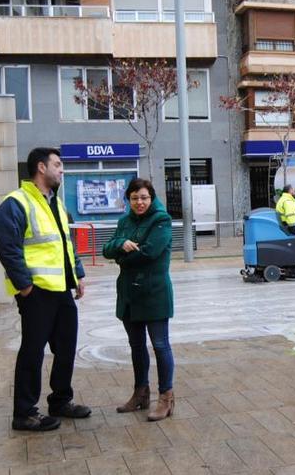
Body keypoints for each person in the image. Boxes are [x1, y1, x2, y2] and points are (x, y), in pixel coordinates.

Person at [0, 148, 90, 431]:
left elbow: (66, 244)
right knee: (33, 353)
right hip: (36, 293)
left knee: (66, 348)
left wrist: (79, 275)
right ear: (40, 167)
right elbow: (7, 249)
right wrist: (25, 287)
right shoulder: (16, 203)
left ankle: (60, 401)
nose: (62, 170)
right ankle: (24, 413)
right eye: (57, 165)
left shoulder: (55, 203)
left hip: (61, 290)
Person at [103, 178, 176, 421]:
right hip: (129, 294)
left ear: (151, 197)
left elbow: (150, 252)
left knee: (160, 345)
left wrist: (121, 257)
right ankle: (140, 393)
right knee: (136, 346)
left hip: (154, 292)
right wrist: (120, 244)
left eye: (144, 197)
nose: (139, 202)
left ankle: (166, 398)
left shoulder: (161, 220)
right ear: (129, 200)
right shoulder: (124, 222)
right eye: (134, 198)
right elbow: (107, 248)